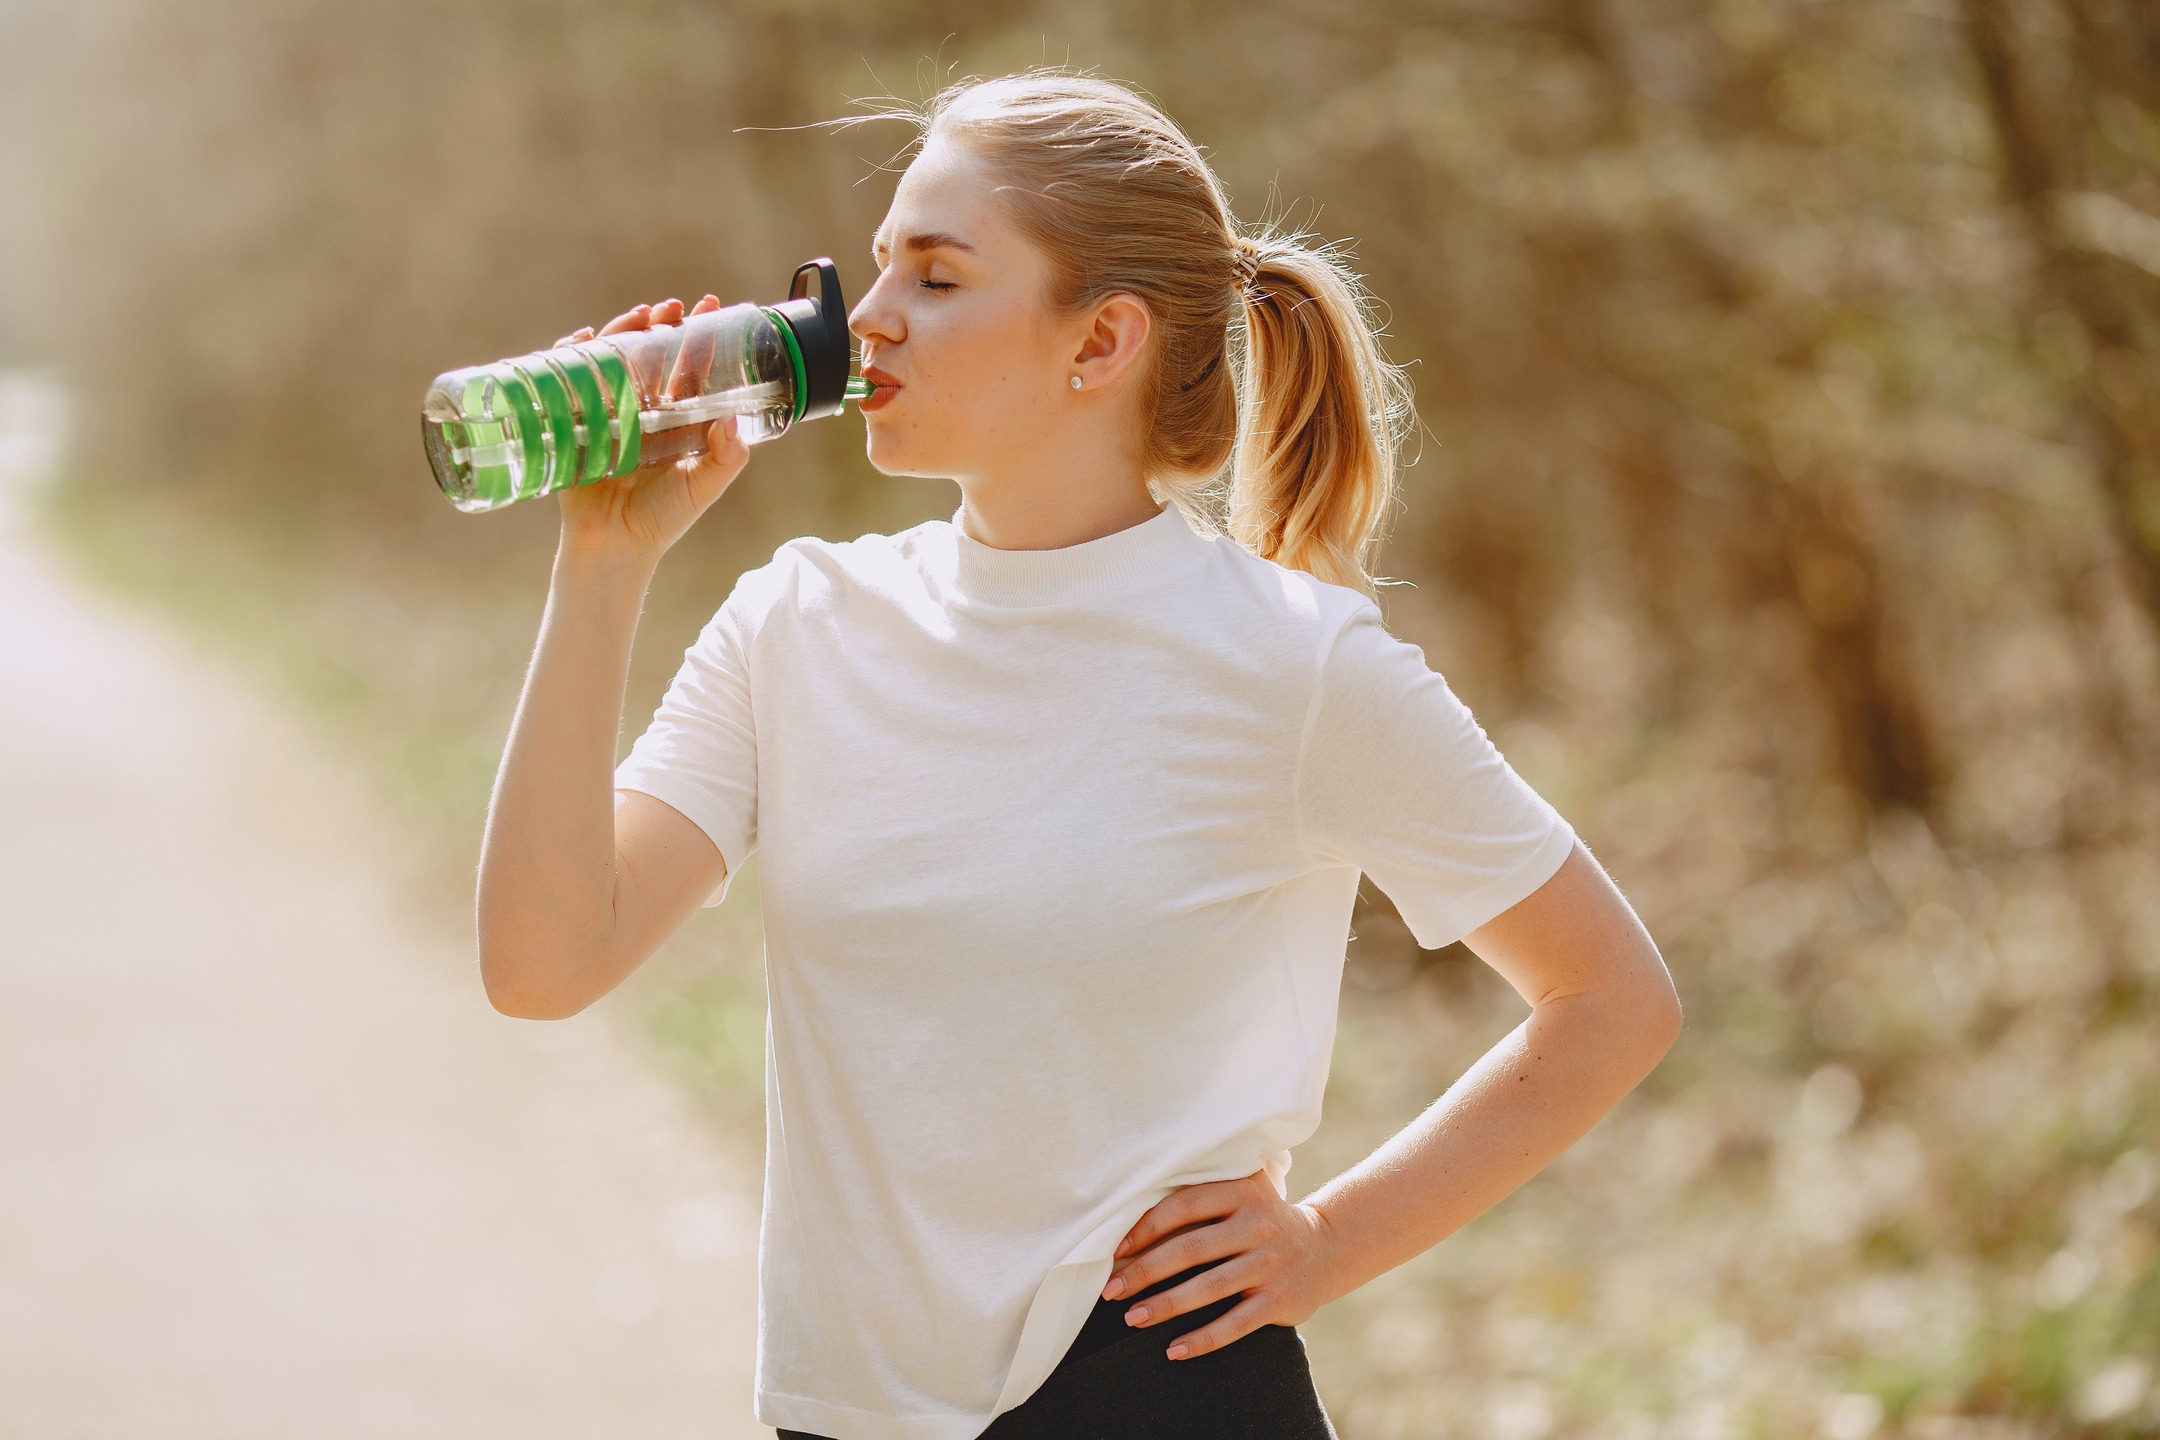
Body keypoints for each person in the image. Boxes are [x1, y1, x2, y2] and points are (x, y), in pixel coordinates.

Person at [475, 68, 1683, 1440]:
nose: (866, 319)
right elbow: (542, 964)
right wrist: (603, 564)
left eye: (936, 278)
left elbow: (1610, 998)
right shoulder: (795, 624)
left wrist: (1328, 1244)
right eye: (879, 268)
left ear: (1099, 340)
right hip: (844, 1414)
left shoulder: (1292, 665)